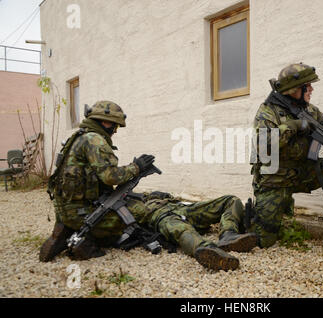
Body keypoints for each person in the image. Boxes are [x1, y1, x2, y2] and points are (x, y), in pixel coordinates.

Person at [39, 101, 257, 271]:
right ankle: (204, 248)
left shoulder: (75, 139)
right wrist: (136, 167)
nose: (114, 131)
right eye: (114, 126)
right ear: (106, 122)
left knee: (228, 200)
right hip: (94, 213)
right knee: (154, 215)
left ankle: (228, 234)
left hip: (73, 212)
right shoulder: (94, 140)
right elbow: (110, 176)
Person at [249, 63, 323, 256]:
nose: (311, 89)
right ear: (295, 89)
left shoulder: (312, 112)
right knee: (264, 240)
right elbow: (264, 146)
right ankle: (242, 215)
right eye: (308, 86)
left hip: (302, 173)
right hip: (274, 180)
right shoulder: (267, 111)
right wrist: (294, 125)